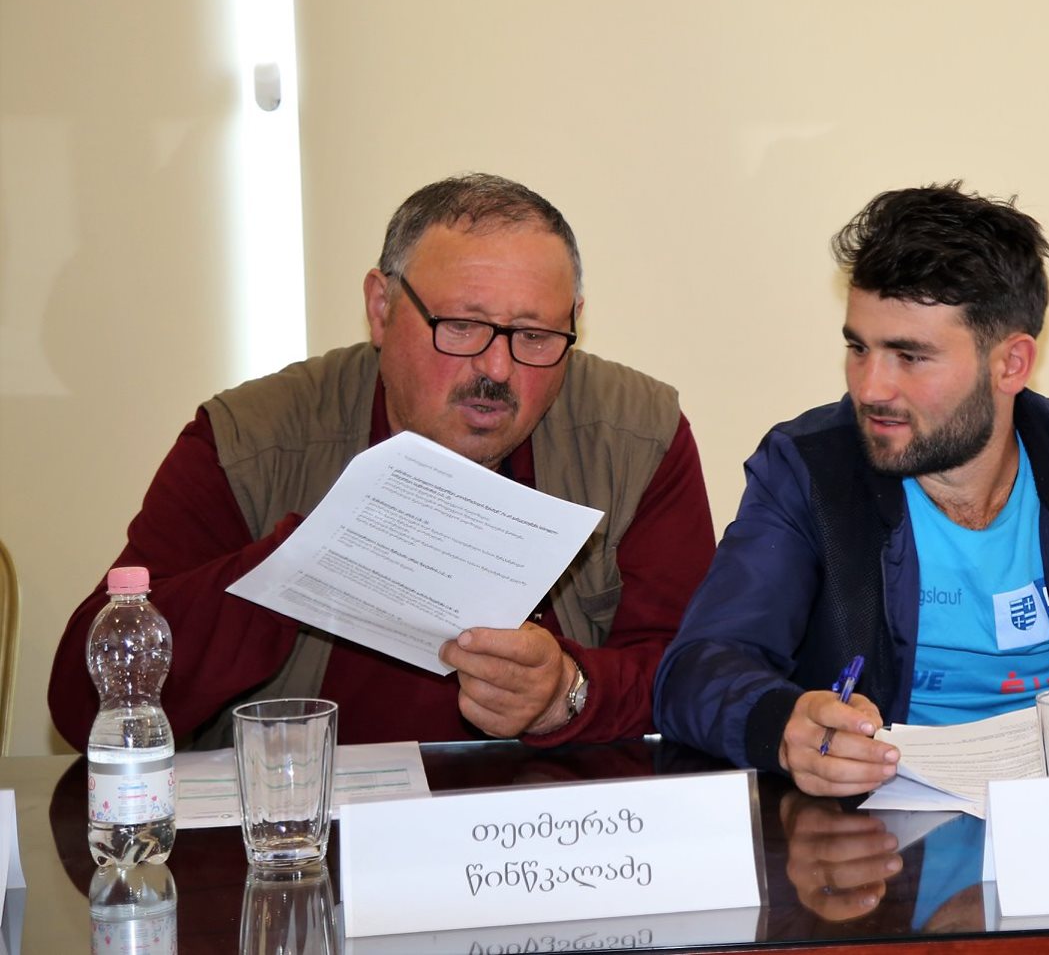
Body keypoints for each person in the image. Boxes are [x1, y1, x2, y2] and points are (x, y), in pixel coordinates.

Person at [50, 174, 717, 748]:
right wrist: (304, 560)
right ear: (381, 307)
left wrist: (568, 692)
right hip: (310, 830)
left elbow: (696, 674)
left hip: (545, 832)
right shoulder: (251, 439)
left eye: (535, 335)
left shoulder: (636, 435)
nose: (496, 369)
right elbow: (87, 705)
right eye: (460, 326)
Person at [654, 182, 1049, 795]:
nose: (870, 388)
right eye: (858, 348)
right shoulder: (809, 470)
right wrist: (781, 727)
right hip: (879, 825)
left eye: (910, 357)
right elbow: (696, 671)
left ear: (1011, 364)